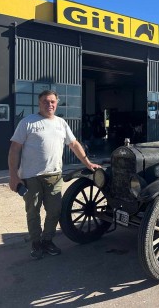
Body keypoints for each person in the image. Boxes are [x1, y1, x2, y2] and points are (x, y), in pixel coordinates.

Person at [8, 90, 101, 259]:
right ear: (39, 103)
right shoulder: (27, 123)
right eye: (45, 101)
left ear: (56, 103)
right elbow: (14, 150)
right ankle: (36, 243)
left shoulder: (61, 123)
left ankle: (47, 240)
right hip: (31, 177)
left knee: (54, 211)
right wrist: (14, 176)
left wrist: (87, 163)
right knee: (33, 212)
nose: (49, 104)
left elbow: (73, 144)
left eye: (52, 101)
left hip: (54, 176)